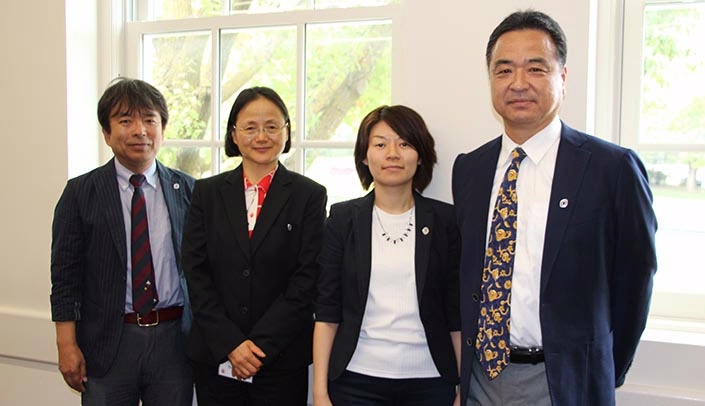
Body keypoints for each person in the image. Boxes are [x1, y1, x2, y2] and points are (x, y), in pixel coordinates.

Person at [452, 10, 658, 406]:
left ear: (562, 77)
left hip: (565, 383)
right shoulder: (470, 169)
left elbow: (636, 278)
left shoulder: (611, 168)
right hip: (481, 380)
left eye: (536, 68)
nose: (518, 83)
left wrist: (604, 366)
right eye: (504, 70)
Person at [50, 77, 195, 405]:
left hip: (174, 342)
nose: (139, 130)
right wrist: (66, 345)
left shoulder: (188, 190)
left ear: (163, 128)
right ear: (107, 132)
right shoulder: (81, 193)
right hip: (108, 342)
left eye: (149, 119)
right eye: (125, 120)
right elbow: (65, 277)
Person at [182, 86, 327, 406]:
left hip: (281, 358)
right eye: (250, 127)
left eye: (272, 126)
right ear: (234, 134)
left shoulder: (309, 196)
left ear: (286, 132)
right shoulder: (207, 193)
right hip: (216, 354)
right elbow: (195, 271)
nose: (261, 136)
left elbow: (306, 279)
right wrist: (231, 344)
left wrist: (258, 347)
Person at [313, 105, 462, 406]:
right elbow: (327, 312)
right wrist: (319, 393)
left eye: (404, 143)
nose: (392, 153)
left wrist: (462, 388)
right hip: (356, 380)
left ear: (420, 156)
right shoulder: (343, 219)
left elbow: (455, 314)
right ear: (365, 157)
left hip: (431, 382)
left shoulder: (446, 221)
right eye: (380, 144)